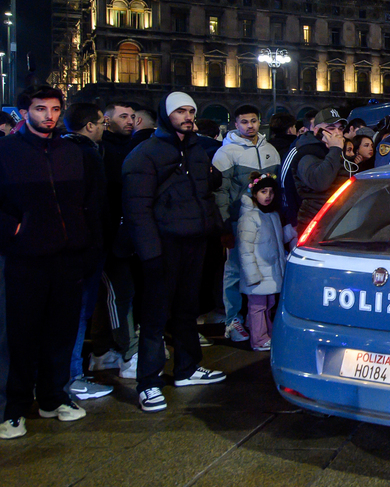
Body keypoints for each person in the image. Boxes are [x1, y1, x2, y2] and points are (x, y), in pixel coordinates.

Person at [0, 86, 104, 439]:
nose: (48, 116)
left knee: (62, 334)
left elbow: (91, 205)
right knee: (19, 337)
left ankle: (54, 398)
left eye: (54, 109)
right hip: (24, 260)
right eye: (40, 109)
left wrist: (86, 246)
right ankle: (11, 410)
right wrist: (17, 228)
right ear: (25, 112)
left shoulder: (73, 152)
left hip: (67, 258)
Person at [122, 91, 227, 413]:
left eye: (191, 111)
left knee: (186, 309)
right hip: (162, 246)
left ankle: (187, 368)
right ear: (167, 115)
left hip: (193, 241)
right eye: (180, 111)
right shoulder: (145, 154)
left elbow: (204, 191)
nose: (187, 116)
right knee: (155, 317)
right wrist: (150, 253)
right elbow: (137, 209)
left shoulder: (195, 149)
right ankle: (149, 383)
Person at [210, 105, 281, 343]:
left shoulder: (270, 149)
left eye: (253, 121)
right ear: (235, 124)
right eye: (244, 122)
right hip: (237, 220)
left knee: (263, 269)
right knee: (235, 270)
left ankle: (258, 320)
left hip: (267, 221)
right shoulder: (226, 152)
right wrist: (224, 225)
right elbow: (220, 192)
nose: (249, 126)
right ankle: (233, 320)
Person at [59, 102, 114, 401]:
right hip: (85, 247)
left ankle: (60, 375)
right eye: (102, 123)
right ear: (90, 125)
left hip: (62, 246)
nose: (104, 128)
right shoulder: (88, 154)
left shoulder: (55, 150)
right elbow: (96, 204)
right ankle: (72, 377)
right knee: (78, 314)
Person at [92, 101, 139, 379]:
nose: (130, 120)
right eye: (124, 116)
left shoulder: (131, 147)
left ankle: (103, 351)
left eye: (133, 116)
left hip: (127, 233)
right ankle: (127, 352)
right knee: (118, 294)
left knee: (113, 295)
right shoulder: (101, 150)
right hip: (108, 235)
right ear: (107, 120)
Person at [236, 173, 294, 352]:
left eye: (270, 191)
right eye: (263, 191)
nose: (268, 195)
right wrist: (252, 275)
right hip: (259, 274)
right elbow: (245, 250)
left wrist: (292, 230)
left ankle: (266, 334)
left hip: (271, 272)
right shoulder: (249, 218)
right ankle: (259, 339)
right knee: (257, 306)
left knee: (267, 305)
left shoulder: (273, 215)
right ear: (254, 194)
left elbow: (277, 241)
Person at [280, 111, 348, 230]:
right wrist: (335, 149)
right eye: (331, 128)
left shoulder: (335, 150)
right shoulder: (307, 153)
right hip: (316, 223)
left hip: (337, 219)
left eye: (340, 128)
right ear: (317, 130)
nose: (337, 133)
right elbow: (320, 182)